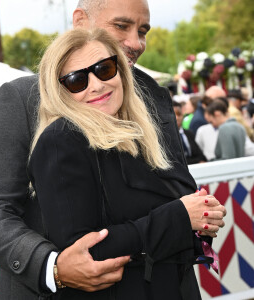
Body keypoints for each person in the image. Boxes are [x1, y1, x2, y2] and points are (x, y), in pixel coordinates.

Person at [0, 1, 226, 299]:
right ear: (80, 20)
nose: (135, 42)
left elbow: (170, 191)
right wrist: (51, 268)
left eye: (143, 31)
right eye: (121, 26)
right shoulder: (22, 98)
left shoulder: (152, 97)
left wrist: (196, 217)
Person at [30, 27, 224, 299]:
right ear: (59, 92)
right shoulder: (61, 141)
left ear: (121, 70)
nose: (96, 85)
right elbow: (83, 253)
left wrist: (201, 216)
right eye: (76, 80)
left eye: (104, 69)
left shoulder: (141, 130)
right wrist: (179, 217)